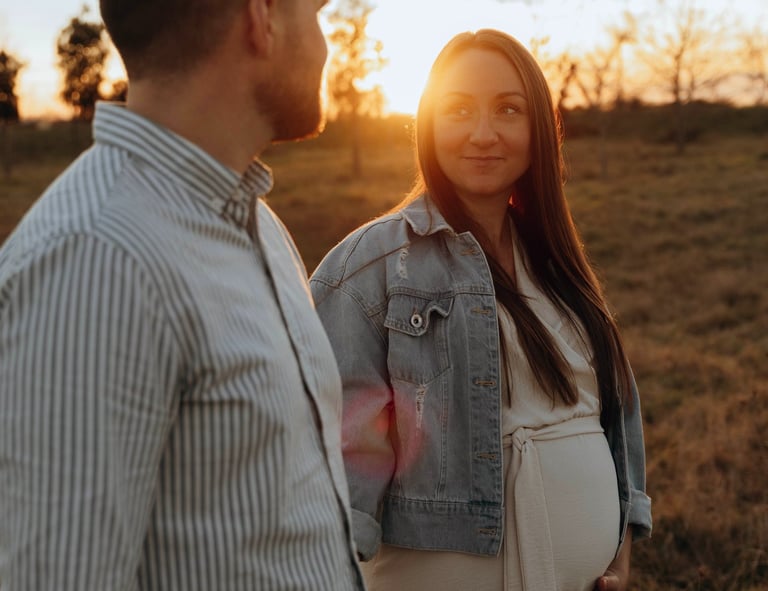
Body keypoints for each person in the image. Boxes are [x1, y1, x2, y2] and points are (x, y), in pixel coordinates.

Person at [0, 0, 365, 589]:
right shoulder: (98, 258)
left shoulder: (256, 223)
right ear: (262, 17)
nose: (325, 46)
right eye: (314, 14)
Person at [310, 29, 652, 591]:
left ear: (538, 126)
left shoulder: (558, 264)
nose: (483, 134)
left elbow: (616, 412)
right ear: (428, 123)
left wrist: (621, 551)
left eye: (508, 110)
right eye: (459, 109)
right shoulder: (368, 267)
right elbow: (330, 455)